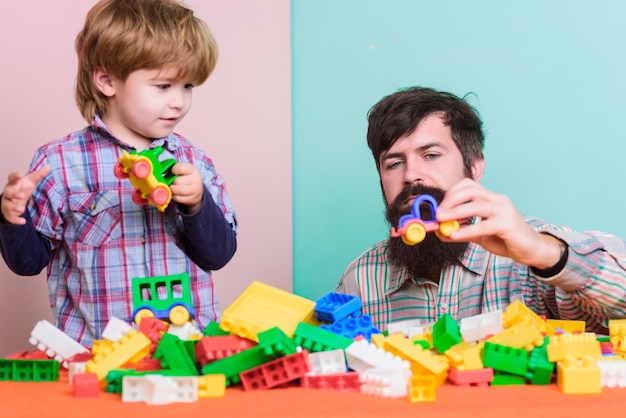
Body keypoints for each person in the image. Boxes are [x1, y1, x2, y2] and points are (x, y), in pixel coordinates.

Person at [0, 0, 237, 347]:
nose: (179, 102)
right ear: (107, 81)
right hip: (95, 356)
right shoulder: (61, 162)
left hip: (185, 352)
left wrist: (197, 204)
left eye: (187, 87)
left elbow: (219, 255)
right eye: (163, 86)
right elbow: (27, 263)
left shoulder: (193, 162)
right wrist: (12, 217)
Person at [336, 86, 626, 334]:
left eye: (431, 155)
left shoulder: (532, 253)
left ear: (474, 166)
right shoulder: (359, 281)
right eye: (395, 163)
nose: (411, 174)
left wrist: (544, 254)